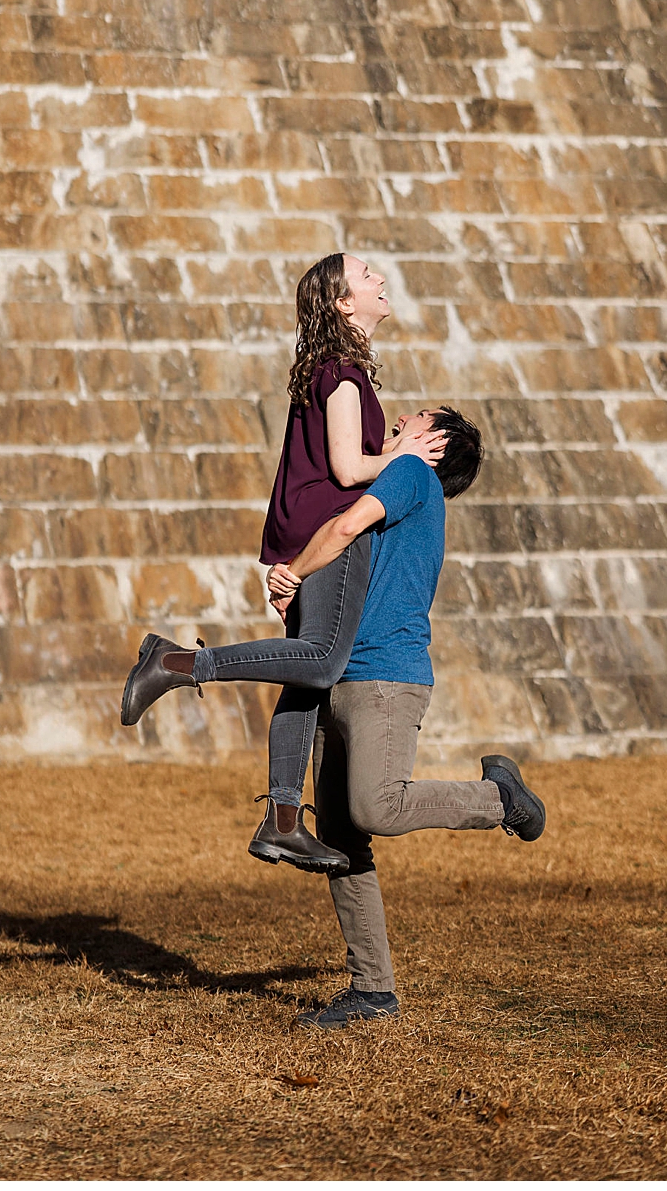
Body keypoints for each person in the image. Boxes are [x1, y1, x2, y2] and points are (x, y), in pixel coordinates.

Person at [171, 406, 545, 1029]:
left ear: (435, 441)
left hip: (386, 677)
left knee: (378, 806)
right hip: (338, 675)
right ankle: (373, 990)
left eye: (416, 415)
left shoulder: (411, 476)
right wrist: (294, 595)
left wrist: (294, 569)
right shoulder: (386, 480)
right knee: (344, 839)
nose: (399, 415)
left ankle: (500, 800)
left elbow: (344, 530)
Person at [121, 253, 445, 873]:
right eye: (367, 274)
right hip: (329, 535)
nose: (379, 278)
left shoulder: (325, 371)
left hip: (302, 532)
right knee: (323, 662)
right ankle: (178, 663)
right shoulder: (346, 375)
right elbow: (349, 471)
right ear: (344, 303)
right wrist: (404, 457)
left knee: (304, 676)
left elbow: (334, 461)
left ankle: (284, 820)